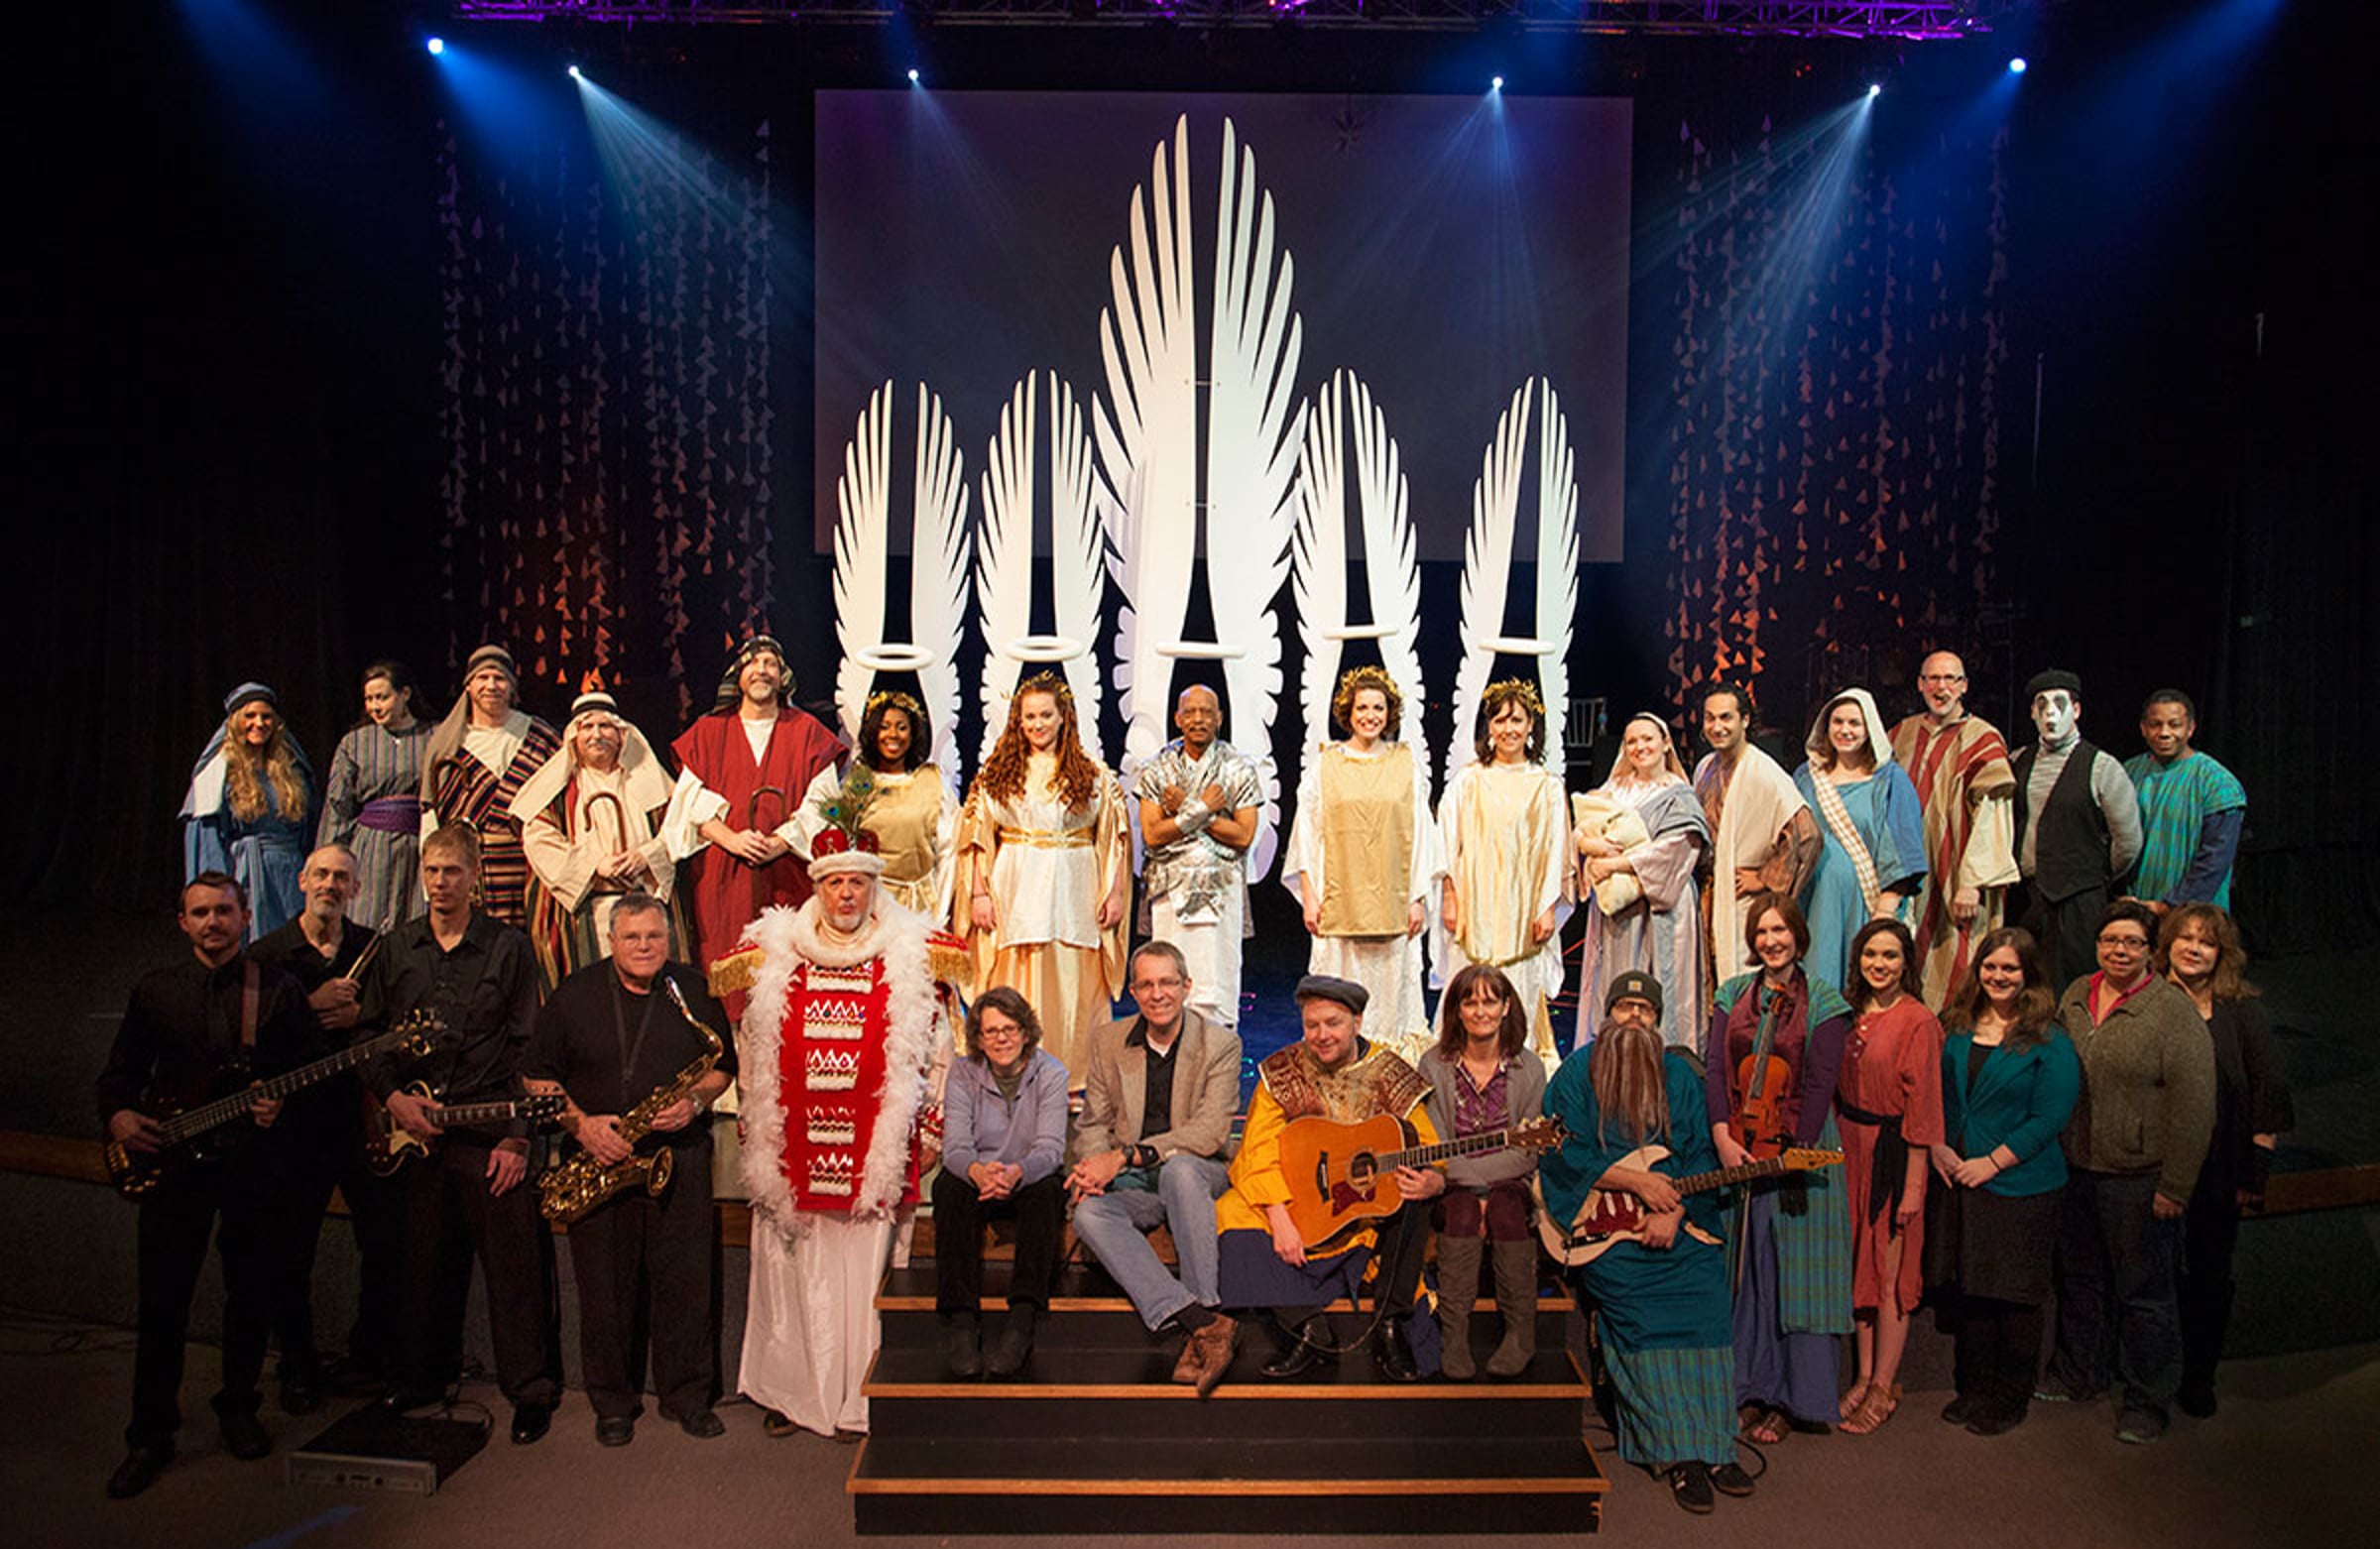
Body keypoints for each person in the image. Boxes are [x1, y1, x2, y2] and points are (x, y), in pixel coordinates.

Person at [711, 827, 965, 1441]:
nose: (846, 894)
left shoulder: (915, 953)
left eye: (857, 882)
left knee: (866, 1272)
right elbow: (753, 1048)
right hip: (794, 1151)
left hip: (875, 1151)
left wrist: (933, 1126)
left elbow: (940, 1048)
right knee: (791, 1270)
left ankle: (860, 1395)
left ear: (874, 886)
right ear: (817, 888)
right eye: (834, 883)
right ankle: (790, 1390)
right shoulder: (774, 953)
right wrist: (754, 1124)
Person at [98, 874, 320, 1498]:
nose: (212, 922)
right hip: (175, 1169)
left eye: (223, 911)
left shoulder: (278, 990)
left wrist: (283, 1106)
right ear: (183, 923)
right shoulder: (155, 990)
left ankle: (239, 1407)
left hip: (253, 1165)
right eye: (200, 913)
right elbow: (118, 1075)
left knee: (250, 1293)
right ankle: (149, 1434)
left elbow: (309, 1075)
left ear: (245, 917)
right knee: (162, 1301)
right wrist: (119, 1116)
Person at [358, 823, 560, 1444]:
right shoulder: (397, 948)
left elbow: (530, 1046)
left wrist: (518, 1137)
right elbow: (369, 1037)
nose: (440, 883)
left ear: (475, 876)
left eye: (452, 871)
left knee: (515, 1269)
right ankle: (419, 1377)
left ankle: (530, 1391)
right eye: (432, 871)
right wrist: (393, 1099)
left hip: (488, 1130)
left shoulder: (509, 948)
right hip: (415, 1133)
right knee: (420, 1265)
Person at [522, 894, 735, 1445]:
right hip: (600, 1158)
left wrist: (695, 1101)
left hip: (678, 1156)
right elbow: (536, 1077)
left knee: (687, 1284)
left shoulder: (692, 989)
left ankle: (688, 1397)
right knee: (604, 1290)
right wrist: (582, 1127)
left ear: (669, 939)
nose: (644, 947)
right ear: (610, 941)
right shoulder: (574, 995)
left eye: (654, 936)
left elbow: (722, 1069)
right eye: (632, 937)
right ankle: (612, 1403)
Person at [1540, 972, 1753, 1514]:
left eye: (1646, 1010)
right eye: (1624, 1007)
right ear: (1607, 1015)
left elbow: (1699, 1152)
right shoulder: (1576, 1073)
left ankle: (1717, 1447)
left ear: (1657, 1020)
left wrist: (1675, 1209)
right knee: (1643, 1317)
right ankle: (1675, 1454)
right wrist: (1636, 1184)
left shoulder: (1678, 1075)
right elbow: (1561, 1149)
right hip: (1609, 1231)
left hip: (1675, 1219)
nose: (1634, 1017)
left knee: (1706, 1303)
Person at [2037, 899, 2215, 1445]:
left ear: (2149, 951)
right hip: (2077, 1169)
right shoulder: (2075, 995)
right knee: (2080, 1280)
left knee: (2145, 1294)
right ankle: (2079, 1374)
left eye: (2132, 942)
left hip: (2138, 1179)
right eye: (2110, 940)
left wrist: (2175, 1186)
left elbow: (2195, 1107)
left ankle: (2146, 1400)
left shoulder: (2171, 1013)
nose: (2120, 950)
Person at [1216, 975, 1444, 1384]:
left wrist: (1434, 1180)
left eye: (1333, 1023)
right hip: (1301, 1202)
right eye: (1312, 1025)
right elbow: (1257, 1151)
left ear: (1357, 1022)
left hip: (1363, 1211)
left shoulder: (1390, 1072)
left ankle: (1389, 1324)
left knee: (1412, 1199)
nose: (1321, 1035)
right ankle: (1307, 1326)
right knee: (1231, 1212)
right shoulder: (1282, 1071)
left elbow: (1426, 1145)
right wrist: (1279, 1216)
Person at [1705, 894, 1852, 1445]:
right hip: (1741, 1142)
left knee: (1797, 1275)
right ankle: (1747, 1389)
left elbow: (1820, 1083)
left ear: (1798, 935)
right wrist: (1721, 1135)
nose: (1772, 941)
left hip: (1800, 1150)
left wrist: (1796, 1149)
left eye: (1780, 931)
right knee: (1747, 1271)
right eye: (1762, 932)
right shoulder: (1731, 994)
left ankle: (1795, 1400)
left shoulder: (1826, 1001)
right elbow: (1715, 1068)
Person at [249, 844, 390, 1410]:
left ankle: (369, 1356)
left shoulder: (372, 949)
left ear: (356, 889)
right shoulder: (268, 954)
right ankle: (298, 1363)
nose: (330, 885)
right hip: (297, 1124)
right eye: (322, 875)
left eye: (342, 878)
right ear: (303, 881)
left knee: (382, 1239)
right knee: (291, 1250)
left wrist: (360, 1014)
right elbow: (251, 1040)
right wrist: (308, 1004)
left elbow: (390, 1022)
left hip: (359, 1116)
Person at [1068, 941, 1244, 1391]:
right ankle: (1201, 1321)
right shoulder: (1110, 1041)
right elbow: (1094, 1122)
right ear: (1133, 991)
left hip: (1198, 1175)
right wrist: (1092, 1169)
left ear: (1186, 987)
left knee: (1179, 1170)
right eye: (1146, 985)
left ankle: (1203, 1307)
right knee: (1089, 1213)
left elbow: (1209, 1134)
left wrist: (1123, 1156)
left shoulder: (1220, 1045)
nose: (1157, 993)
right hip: (1139, 1184)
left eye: (1167, 982)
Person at [1927, 927, 2081, 1436]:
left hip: (2021, 1185)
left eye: (2009, 968)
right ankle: (1973, 1388)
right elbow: (1942, 1095)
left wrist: (1991, 1162)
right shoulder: (1958, 1025)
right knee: (1973, 1290)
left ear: (2028, 974)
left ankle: (2010, 1397)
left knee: (2013, 1295)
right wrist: (1940, 1146)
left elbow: (2048, 1117)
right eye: (1990, 966)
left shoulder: (2049, 1039)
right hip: (1961, 1176)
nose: (1998, 976)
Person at [956, 672, 1130, 1079]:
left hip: (1075, 886)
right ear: (1018, 721)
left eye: (1046, 715)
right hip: (1016, 886)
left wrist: (1116, 891)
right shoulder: (998, 772)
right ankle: (1014, 1072)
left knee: (1073, 980)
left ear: (1063, 716)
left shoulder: (1093, 773)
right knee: (1018, 975)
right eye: (1030, 716)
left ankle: (1074, 1078)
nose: (1038, 724)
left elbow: (1115, 837)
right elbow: (977, 835)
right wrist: (979, 893)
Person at [2157, 903, 2292, 1417]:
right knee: (2154, 1276)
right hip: (2153, 1165)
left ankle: (2198, 1376)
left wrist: (2255, 1172)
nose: (2194, 949)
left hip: (2218, 1168)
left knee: (2209, 1275)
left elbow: (2268, 1091)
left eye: (2206, 942)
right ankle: (2150, 1373)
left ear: (2222, 954)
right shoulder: (2147, 1002)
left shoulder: (2241, 1012)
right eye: (2186, 938)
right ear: (2168, 944)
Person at [664, 634, 846, 995]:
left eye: (771, 664)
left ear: (782, 677)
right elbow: (688, 802)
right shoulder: (708, 732)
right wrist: (731, 839)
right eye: (754, 662)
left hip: (789, 872)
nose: (762, 670)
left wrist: (781, 842)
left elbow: (825, 803)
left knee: (788, 977)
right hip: (722, 876)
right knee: (726, 970)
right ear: (738, 674)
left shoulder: (807, 732)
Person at [1283, 666, 1445, 1057]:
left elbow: (1421, 835)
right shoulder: (1326, 764)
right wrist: (1310, 895)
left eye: (1378, 708)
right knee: (1339, 990)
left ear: (1389, 713)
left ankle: (1387, 1068)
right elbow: (1307, 832)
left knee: (1390, 1000)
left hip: (1392, 903)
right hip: (1340, 903)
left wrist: (1417, 898)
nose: (1370, 715)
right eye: (1362, 707)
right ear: (1348, 711)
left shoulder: (1405, 765)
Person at [1833, 918, 1945, 1436]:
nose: (1879, 964)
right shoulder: (1849, 1015)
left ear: (1906, 963)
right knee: (1859, 1263)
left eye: (1890, 956)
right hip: (1850, 1150)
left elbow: (1924, 1109)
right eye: (1871, 954)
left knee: (1891, 1272)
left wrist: (1914, 1188)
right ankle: (1862, 1375)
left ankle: (1884, 1385)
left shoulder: (1918, 1021)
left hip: (1894, 1156)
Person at [1418, 964, 1549, 1380]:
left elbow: (1527, 1154)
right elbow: (1435, 1147)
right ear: (1456, 1010)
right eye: (1469, 1001)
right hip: (1451, 1186)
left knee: (1506, 1211)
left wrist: (1483, 1188)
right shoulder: (1433, 1065)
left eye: (1490, 1001)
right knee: (1462, 1212)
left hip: (1508, 1184)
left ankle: (1520, 1335)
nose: (1480, 1011)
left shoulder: (1530, 1068)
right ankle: (1454, 1336)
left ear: (1506, 1007)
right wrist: (1474, 1188)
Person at [931, 988, 1069, 1377]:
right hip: (980, 1174)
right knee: (949, 1188)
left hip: (1026, 1175)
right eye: (991, 1031)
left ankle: (1021, 1320)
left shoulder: (1052, 1073)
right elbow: (955, 1147)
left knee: (1048, 1192)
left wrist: (1016, 1173)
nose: (1001, 1039)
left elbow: (1050, 1149)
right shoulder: (962, 1073)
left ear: (1025, 1032)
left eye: (1009, 1029)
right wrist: (979, 1172)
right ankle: (961, 1322)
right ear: (978, 1037)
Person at [1437, 679, 1571, 1068]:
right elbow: (1448, 842)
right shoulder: (1468, 781)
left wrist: (1547, 907)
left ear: (1531, 726)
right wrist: (1450, 896)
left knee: (1520, 981)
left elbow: (1555, 851)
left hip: (1522, 906)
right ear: (1489, 727)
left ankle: (1516, 1065)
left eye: (1517, 720)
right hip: (1475, 902)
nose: (1508, 729)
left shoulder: (1546, 786)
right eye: (1500, 720)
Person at [511, 689, 684, 986]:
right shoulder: (559, 789)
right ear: (574, 736)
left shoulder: (648, 779)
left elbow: (678, 828)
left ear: (621, 734)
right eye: (587, 727)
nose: (596, 735)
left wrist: (646, 856)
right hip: (590, 909)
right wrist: (594, 865)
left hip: (644, 903)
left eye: (605, 726)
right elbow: (538, 837)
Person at [1888, 652, 2021, 1007]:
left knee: (1959, 964)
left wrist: (1972, 883)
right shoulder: (1902, 734)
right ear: (1920, 684)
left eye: (1950, 679)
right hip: (1909, 873)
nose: (1941, 687)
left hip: (1957, 877)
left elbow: (1993, 818)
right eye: (1933, 678)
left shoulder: (1982, 739)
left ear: (1964, 686)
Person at [1575, 711, 1709, 1053]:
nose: (1640, 747)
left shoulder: (1679, 795)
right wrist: (1593, 847)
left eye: (1648, 739)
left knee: (1662, 985)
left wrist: (1616, 863)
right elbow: (1582, 829)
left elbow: (1677, 850)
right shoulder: (1613, 789)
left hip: (1663, 905)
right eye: (1631, 741)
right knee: (1615, 980)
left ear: (1666, 744)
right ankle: (1611, 1057)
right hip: (1617, 908)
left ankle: (1667, 1061)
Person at [1134, 685, 1262, 1033]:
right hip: (1169, 890)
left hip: (1221, 890)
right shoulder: (1157, 769)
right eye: (1190, 712)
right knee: (1168, 977)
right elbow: (1153, 834)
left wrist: (1188, 809)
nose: (1198, 719)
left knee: (1217, 982)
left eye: (1206, 712)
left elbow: (1243, 835)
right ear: (1177, 718)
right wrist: (1205, 808)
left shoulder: (1237, 768)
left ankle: (1217, 1055)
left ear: (1219, 718)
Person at [2010, 670, 2143, 993]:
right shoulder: (2017, 760)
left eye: (2060, 704)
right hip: (2027, 896)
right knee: (2025, 985)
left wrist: (2091, 876)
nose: (2050, 714)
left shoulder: (2101, 767)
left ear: (2077, 710)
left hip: (2077, 900)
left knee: (2072, 988)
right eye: (2042, 705)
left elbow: (2127, 841)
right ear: (2032, 712)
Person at [1793, 688, 1927, 994]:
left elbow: (1902, 848)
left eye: (1854, 723)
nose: (1845, 730)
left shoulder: (1890, 779)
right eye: (1838, 722)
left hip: (1865, 903)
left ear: (1869, 729)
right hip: (1813, 902)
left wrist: (1885, 911)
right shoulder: (1806, 777)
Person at [419, 645, 561, 930]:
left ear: (512, 687)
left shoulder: (539, 736)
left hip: (527, 868)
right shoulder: (447, 742)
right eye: (482, 678)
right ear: (468, 686)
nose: (491, 686)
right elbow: (430, 815)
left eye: (500, 678)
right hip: (468, 870)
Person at [1691, 683, 1818, 996]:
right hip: (1710, 893)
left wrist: (1763, 878)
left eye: (1726, 717)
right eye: (1710, 718)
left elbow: (1807, 835)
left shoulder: (1763, 772)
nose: (1717, 727)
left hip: (1743, 900)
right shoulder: (1706, 768)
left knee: (1744, 977)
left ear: (1744, 720)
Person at [791, 689, 959, 921]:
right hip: (868, 906)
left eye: (902, 727)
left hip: (918, 908)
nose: (893, 734)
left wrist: (940, 913)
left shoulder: (933, 782)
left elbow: (949, 850)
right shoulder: (854, 783)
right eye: (884, 727)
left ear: (913, 734)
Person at [181, 682, 312, 941]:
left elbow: (307, 830)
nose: (259, 723)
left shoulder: (291, 770)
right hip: (244, 873)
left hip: (289, 876)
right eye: (250, 716)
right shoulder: (218, 774)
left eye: (266, 716)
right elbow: (207, 841)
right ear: (234, 722)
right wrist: (218, 891)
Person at [316, 659, 431, 933]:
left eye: (382, 697)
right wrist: (329, 858)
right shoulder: (355, 742)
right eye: (369, 699)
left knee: (415, 924)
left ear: (405, 694)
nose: (374, 706)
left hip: (419, 844)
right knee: (367, 919)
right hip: (371, 846)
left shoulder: (433, 736)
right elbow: (338, 806)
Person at [2124, 691, 2248, 914]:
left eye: (2174, 725)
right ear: (2143, 728)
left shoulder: (2216, 782)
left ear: (2190, 728)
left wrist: (2171, 905)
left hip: (2195, 916)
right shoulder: (2128, 773)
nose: (2164, 733)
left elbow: (2215, 857)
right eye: (2155, 725)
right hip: (2137, 911)